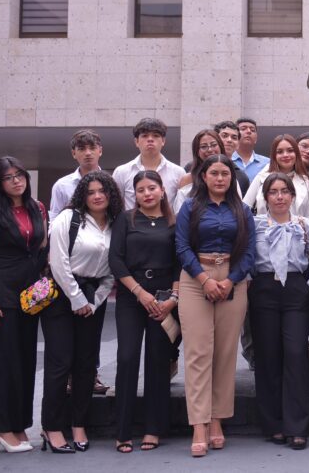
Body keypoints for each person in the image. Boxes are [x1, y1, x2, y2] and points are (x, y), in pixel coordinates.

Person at [175, 154, 256, 457]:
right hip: (195, 278)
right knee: (198, 352)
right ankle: (199, 424)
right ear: (204, 176)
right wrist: (204, 280)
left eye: (225, 173)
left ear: (231, 178)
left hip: (232, 280)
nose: (220, 178)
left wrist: (230, 279)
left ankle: (218, 421)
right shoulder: (190, 207)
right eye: (214, 173)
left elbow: (249, 251)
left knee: (224, 353)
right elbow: (181, 246)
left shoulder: (243, 210)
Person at [41, 171, 121, 454]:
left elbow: (115, 267)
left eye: (103, 191)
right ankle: (51, 427)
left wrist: (96, 300)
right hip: (63, 297)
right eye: (91, 192)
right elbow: (58, 261)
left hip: (94, 299)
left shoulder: (115, 224)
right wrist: (76, 299)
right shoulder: (68, 218)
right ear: (82, 196)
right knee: (60, 363)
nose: (97, 196)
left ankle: (78, 424)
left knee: (86, 365)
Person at [0, 157, 48, 454]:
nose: (16, 181)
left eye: (20, 175)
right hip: (1, 293)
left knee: (25, 362)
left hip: (31, 294)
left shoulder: (38, 208)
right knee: (2, 363)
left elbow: (42, 247)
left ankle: (19, 424)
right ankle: (0, 428)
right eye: (9, 177)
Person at [108, 171, 179, 453]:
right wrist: (139, 292)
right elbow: (116, 259)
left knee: (158, 361)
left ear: (162, 190)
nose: (147, 193)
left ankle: (153, 428)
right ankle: (122, 430)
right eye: (140, 190)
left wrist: (173, 297)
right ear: (134, 194)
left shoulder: (174, 223)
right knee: (127, 358)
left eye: (152, 188)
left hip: (163, 297)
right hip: (131, 295)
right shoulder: (126, 220)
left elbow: (180, 262)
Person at [249, 173, 309, 449]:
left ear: (292, 196)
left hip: (295, 291)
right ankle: (273, 423)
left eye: (284, 191)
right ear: (265, 198)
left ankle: (297, 425)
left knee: (295, 352)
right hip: (264, 289)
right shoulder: (254, 226)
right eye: (273, 192)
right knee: (267, 355)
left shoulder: (305, 225)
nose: (279, 196)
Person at [113, 117, 185, 210]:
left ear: (163, 141)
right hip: (131, 223)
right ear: (136, 142)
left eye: (155, 135)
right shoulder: (121, 172)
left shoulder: (178, 172)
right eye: (145, 136)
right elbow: (116, 205)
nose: (150, 139)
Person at [245, 134, 309, 220]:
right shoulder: (263, 176)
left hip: (296, 231)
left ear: (296, 153)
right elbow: (245, 208)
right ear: (274, 155)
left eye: (290, 150)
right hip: (264, 231)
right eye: (280, 152)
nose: (285, 155)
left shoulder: (305, 181)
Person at [50, 129, 103, 220]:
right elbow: (54, 221)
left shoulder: (113, 182)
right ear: (74, 153)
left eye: (92, 148)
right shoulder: (61, 186)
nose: (88, 153)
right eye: (82, 149)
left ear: (100, 151)